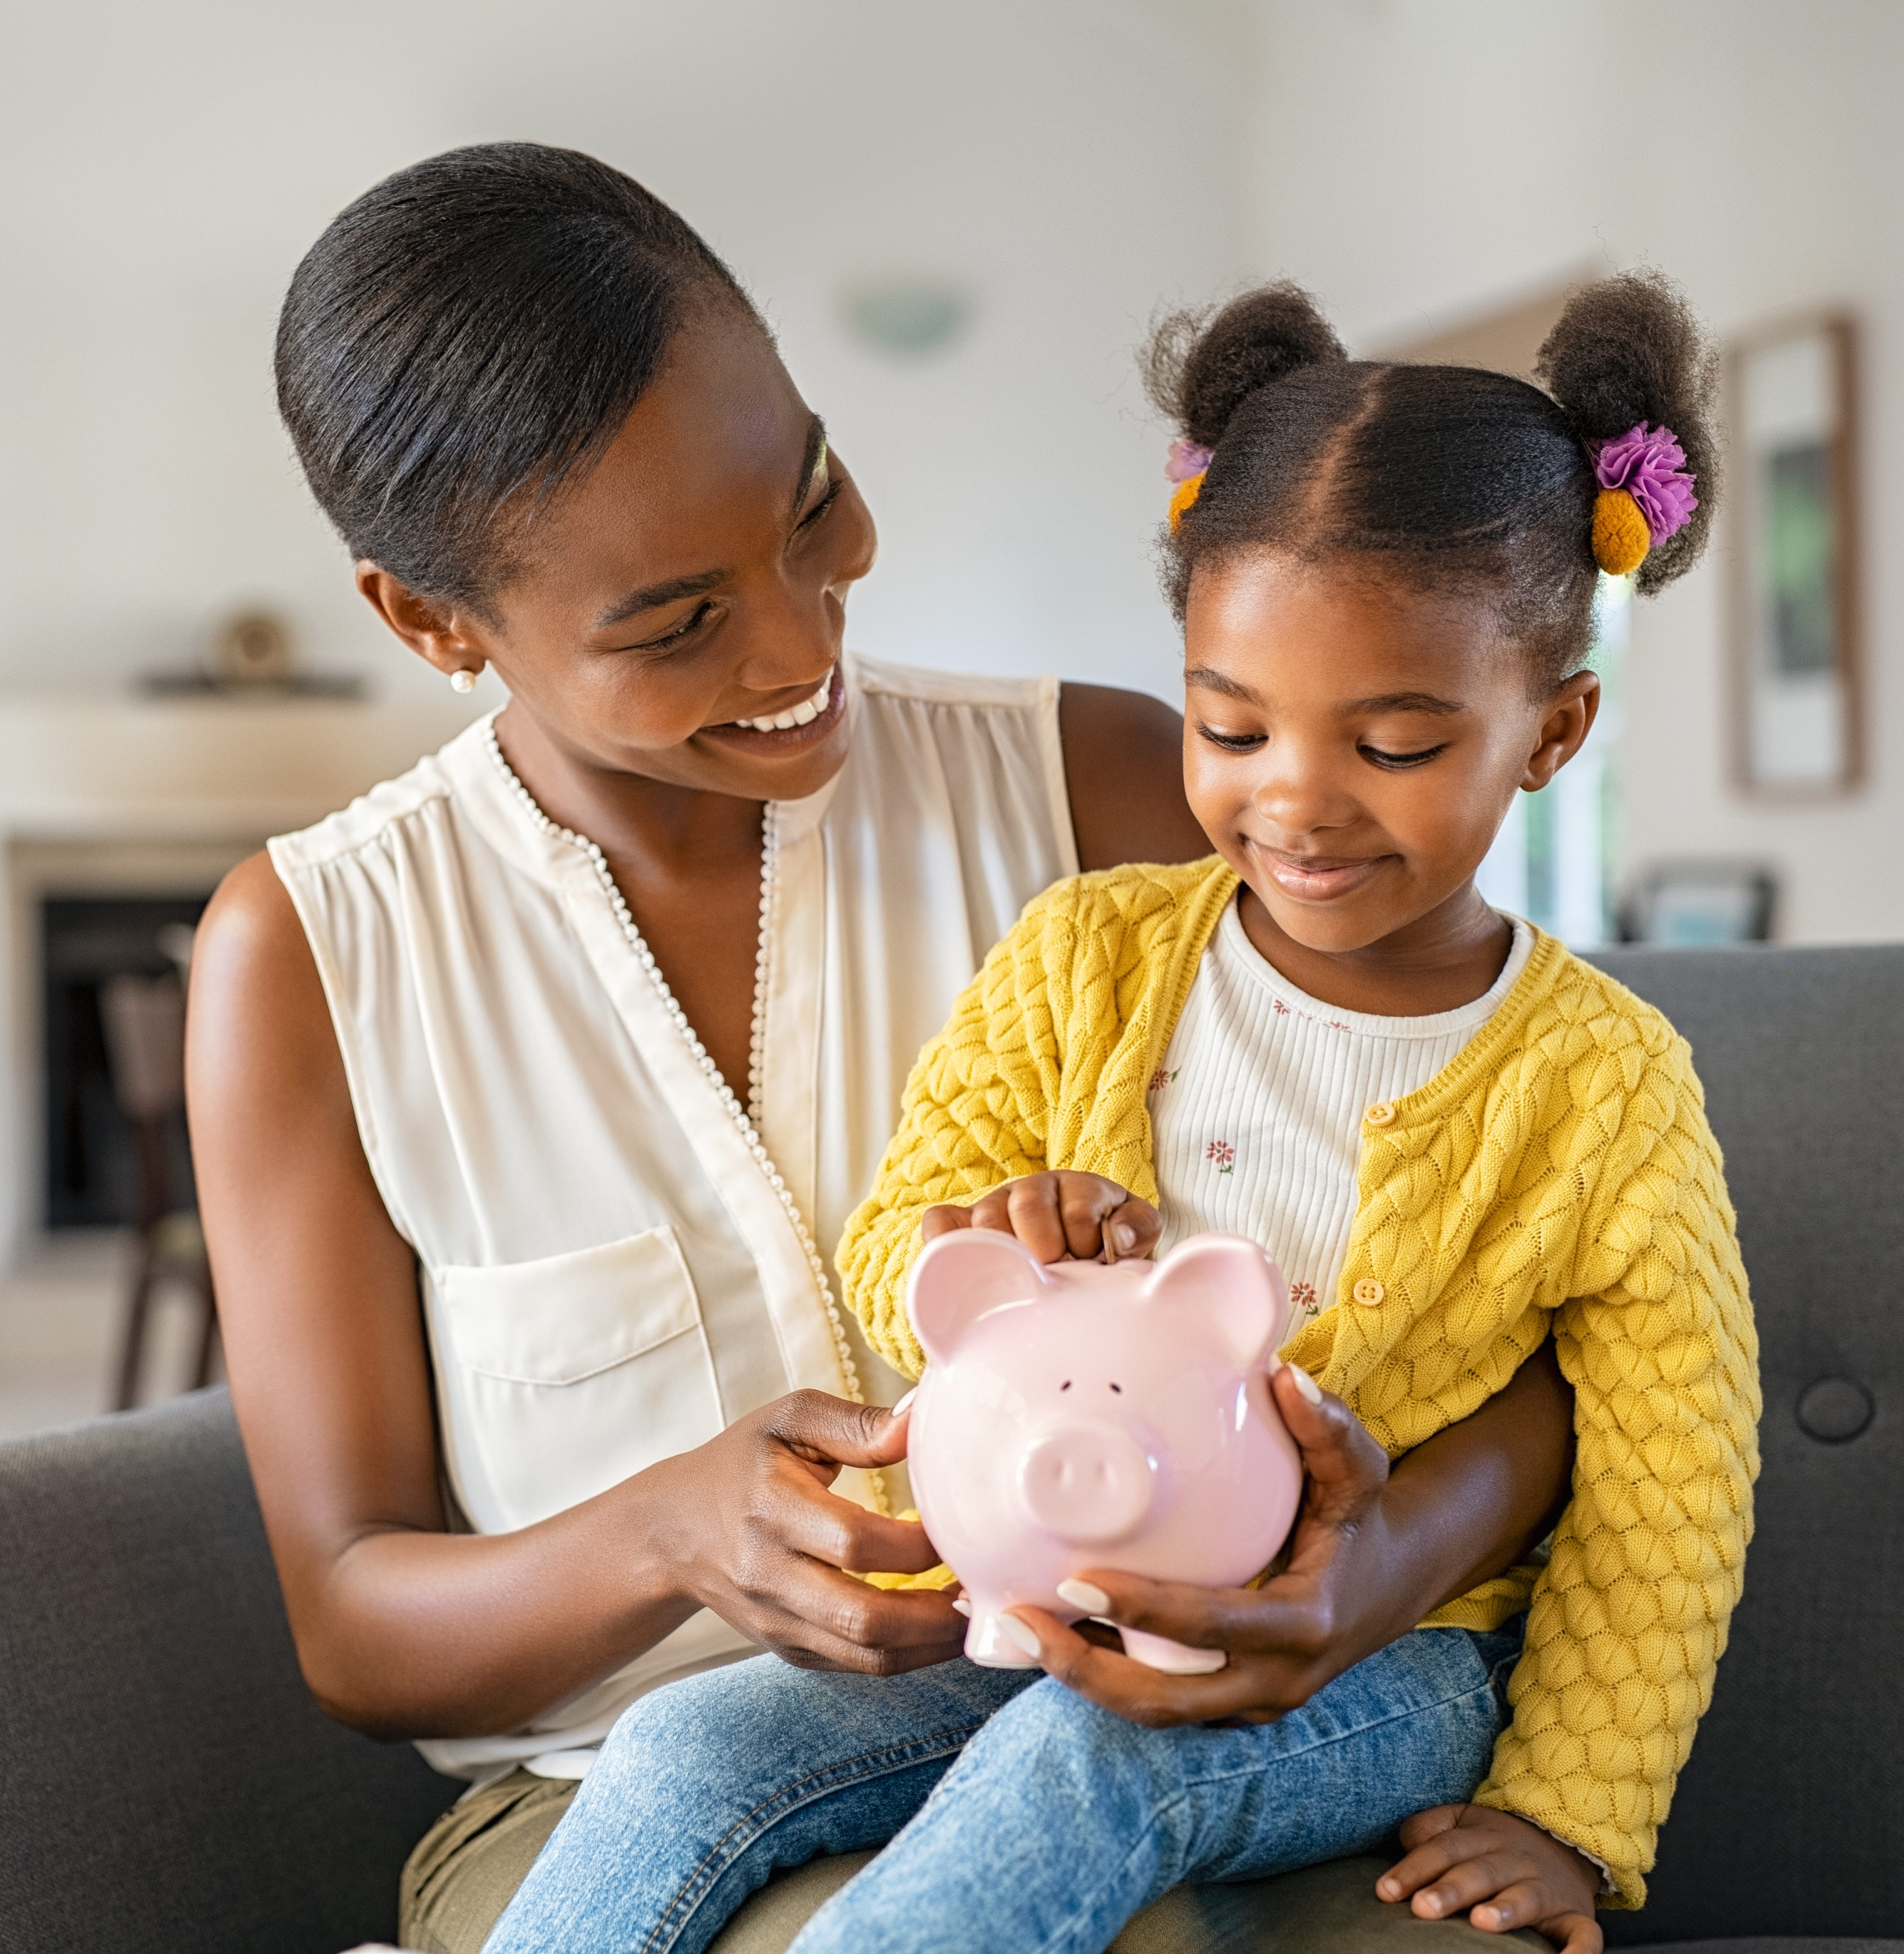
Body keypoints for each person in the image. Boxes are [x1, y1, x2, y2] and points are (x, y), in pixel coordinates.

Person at [186, 144, 1578, 1954]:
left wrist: (1375, 1572)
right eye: (678, 623)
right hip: (614, 1809)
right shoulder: (313, 955)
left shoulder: (1107, 792)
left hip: (1164, 1718)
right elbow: (356, 1626)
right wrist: (665, 1537)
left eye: (813, 499)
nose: (799, 635)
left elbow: (1552, 1283)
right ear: (431, 622)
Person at [480, 275, 1760, 1954]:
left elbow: (1675, 1487)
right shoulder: (1090, 956)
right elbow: (899, 1243)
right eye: (1232, 727)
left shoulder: (1605, 1086)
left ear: (1552, 729)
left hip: (1397, 1659)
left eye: (1391, 744)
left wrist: (1567, 1822)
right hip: (1025, 1602)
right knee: (697, 1741)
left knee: (1083, 1769)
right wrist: (986, 1236)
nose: (1292, 799)